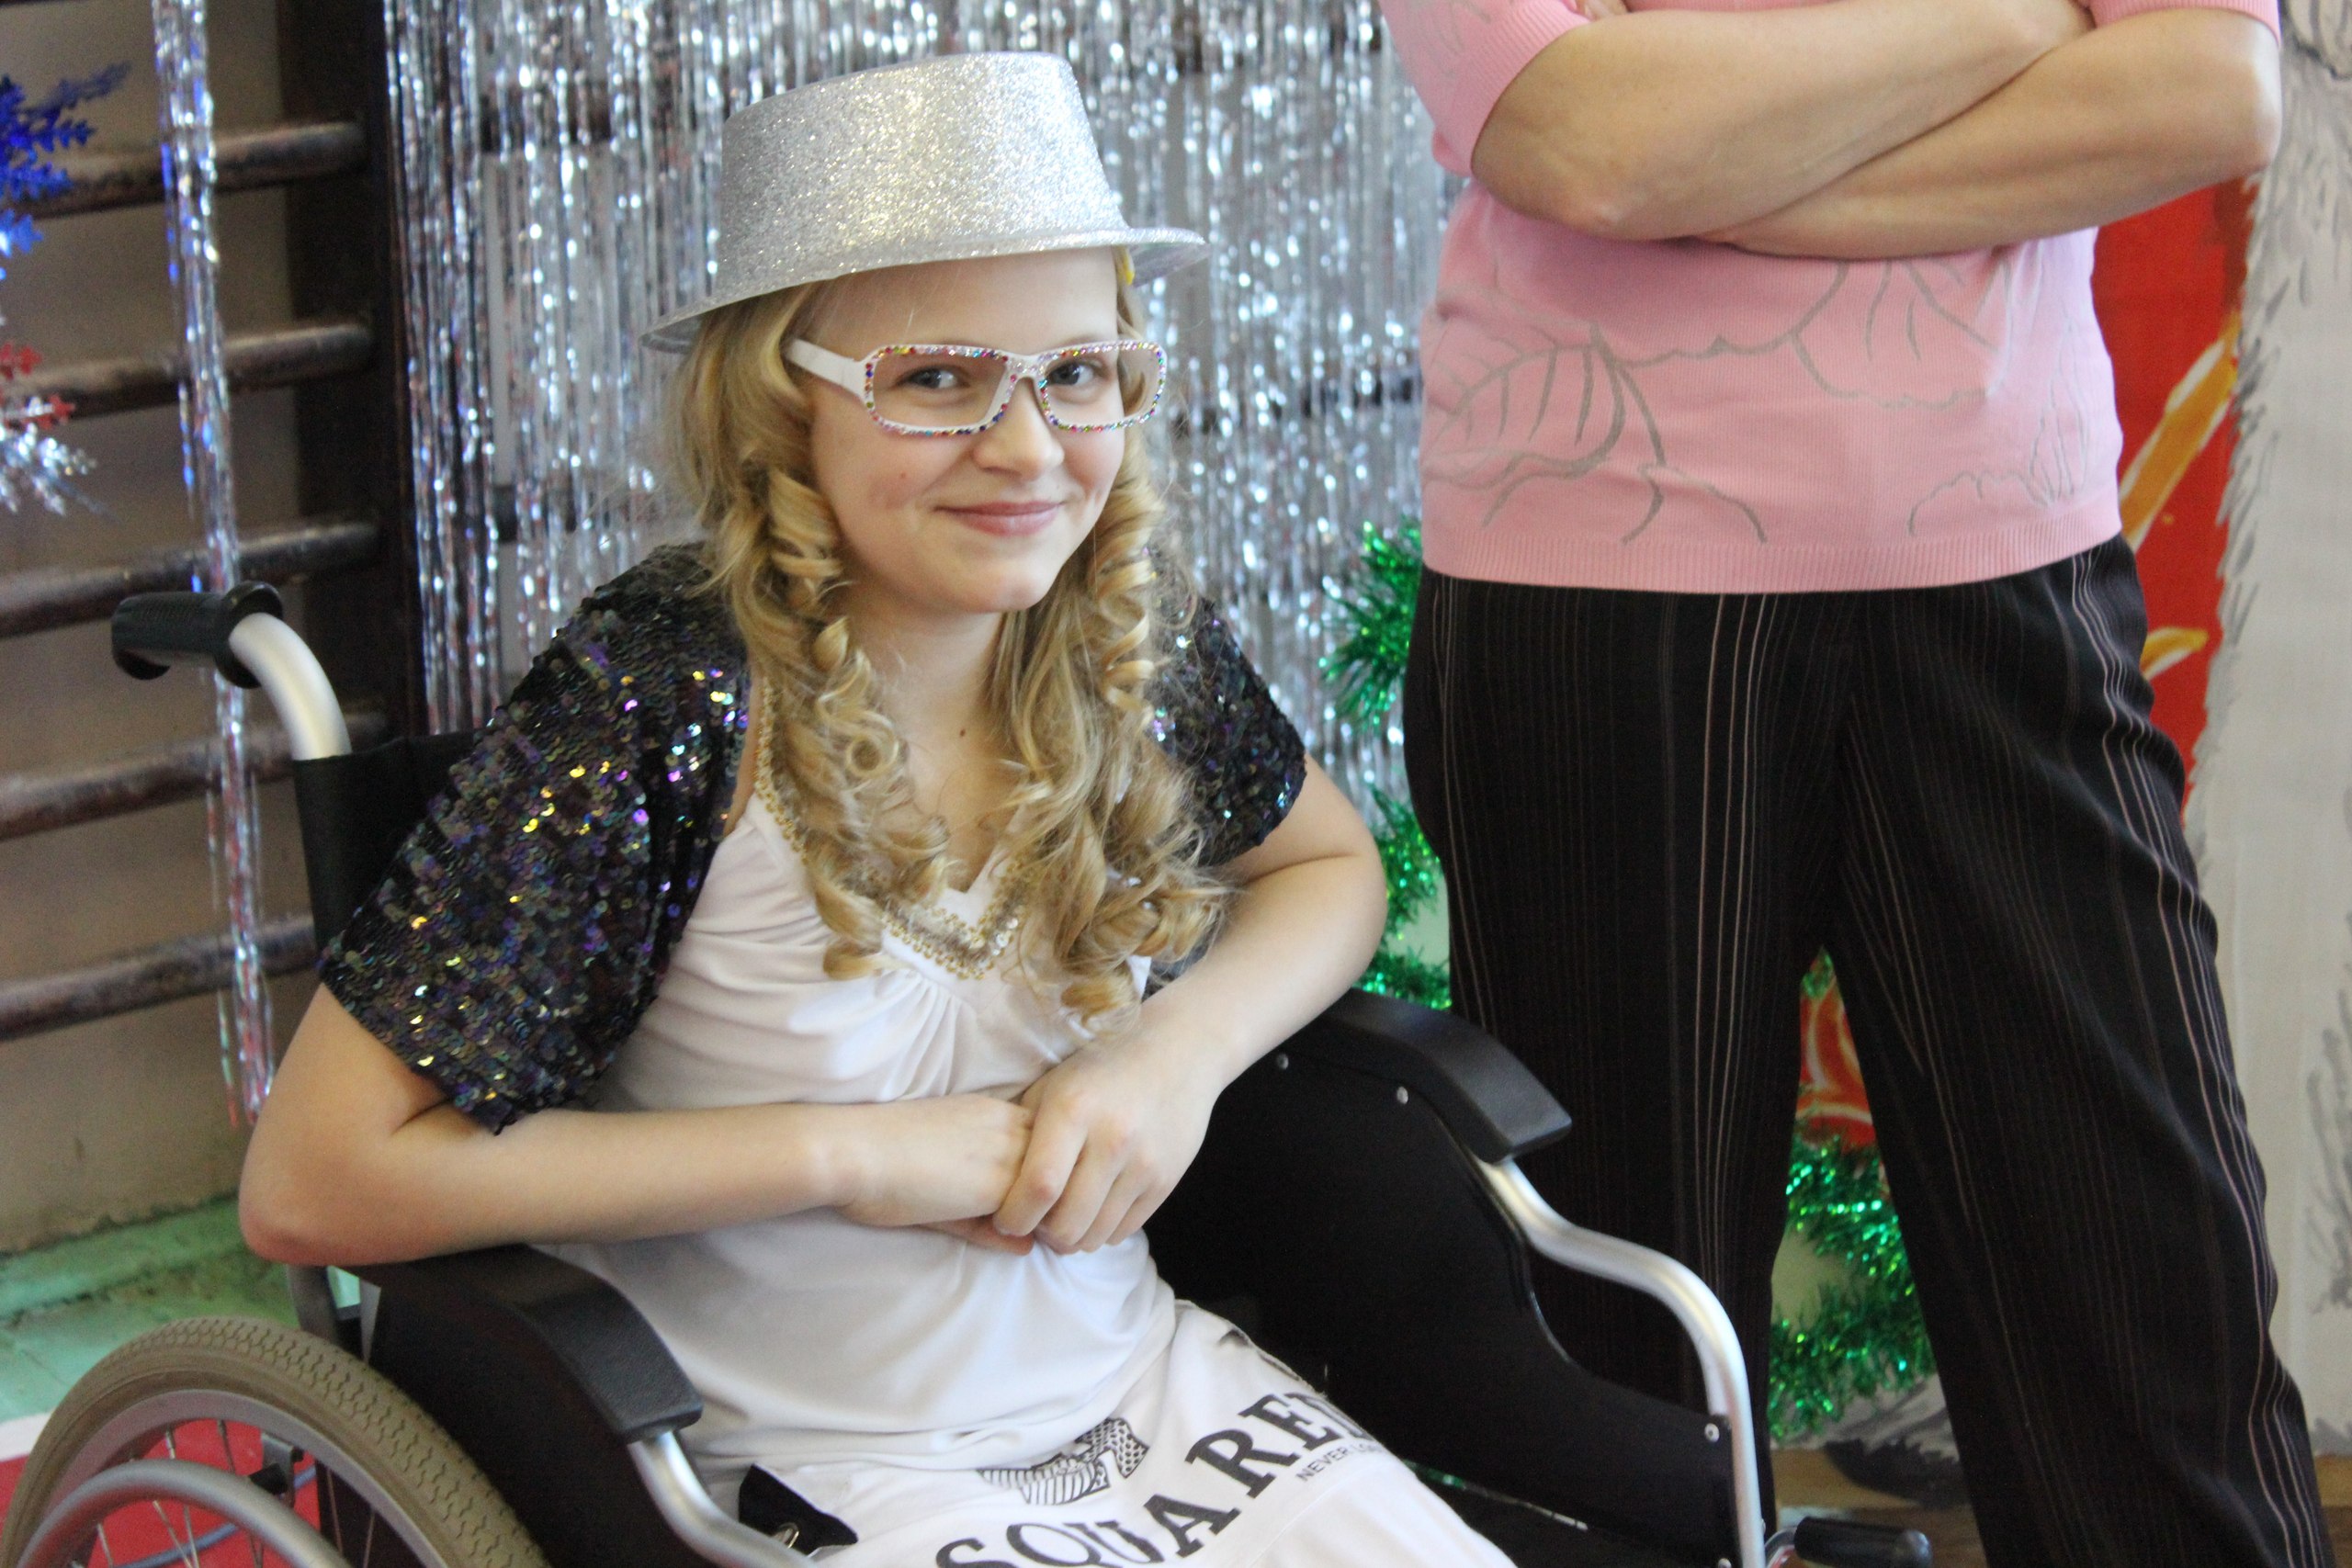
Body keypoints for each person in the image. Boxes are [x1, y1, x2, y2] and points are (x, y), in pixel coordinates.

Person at [237, 54, 1512, 1566]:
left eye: (1077, 371)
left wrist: (1176, 1053)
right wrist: (850, 1154)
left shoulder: (1123, 635)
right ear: (778, 409)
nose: (1027, 449)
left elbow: (1327, 867)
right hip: (800, 1464)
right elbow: (313, 1185)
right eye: (936, 379)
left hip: (1147, 1405)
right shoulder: (666, 697)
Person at [1375, 0, 2339, 1561]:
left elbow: (2210, 91)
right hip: (1597, 564)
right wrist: (2024, 14)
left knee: (2153, 1332)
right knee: (1625, 1366)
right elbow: (1585, 140)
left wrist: (1716, 173)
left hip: (2009, 549)